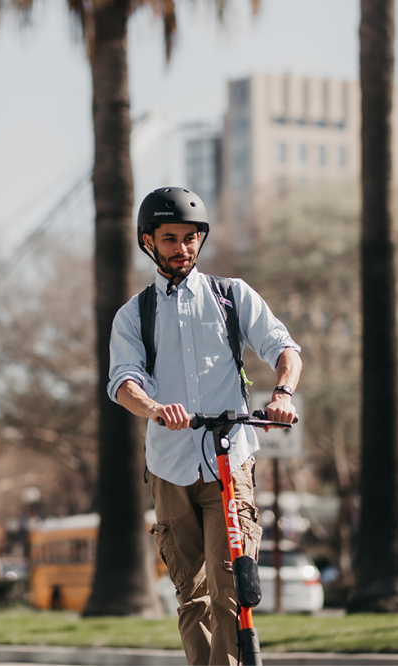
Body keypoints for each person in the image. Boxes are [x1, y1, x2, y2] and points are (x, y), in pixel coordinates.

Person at [107, 187, 301, 666]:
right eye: (170, 238)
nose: (182, 248)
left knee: (230, 589)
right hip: (169, 469)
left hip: (230, 460)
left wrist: (281, 394)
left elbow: (284, 347)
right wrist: (154, 407)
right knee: (191, 597)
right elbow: (122, 382)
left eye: (191, 238)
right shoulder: (135, 314)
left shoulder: (232, 296)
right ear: (148, 241)